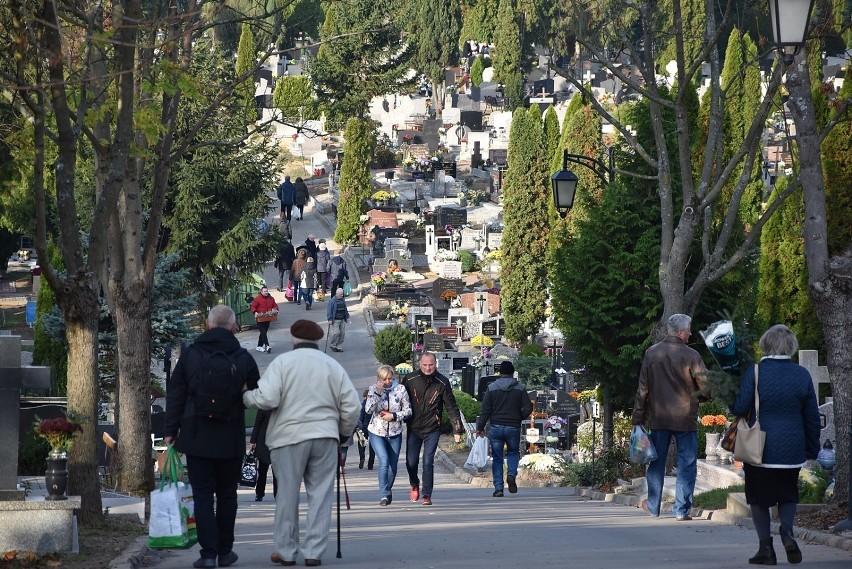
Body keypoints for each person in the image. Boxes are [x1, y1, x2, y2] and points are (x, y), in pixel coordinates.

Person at [242, 319, 360, 568]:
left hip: (289, 438)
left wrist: (246, 396)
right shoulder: (332, 365)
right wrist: (341, 434)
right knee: (320, 495)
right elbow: (352, 406)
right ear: (316, 340)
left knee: (287, 494)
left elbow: (267, 397)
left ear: (294, 338)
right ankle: (313, 552)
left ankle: (286, 551)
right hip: (325, 436)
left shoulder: (283, 363)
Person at [163, 305, 259, 569]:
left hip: (197, 435)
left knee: (203, 495)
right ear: (232, 327)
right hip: (230, 436)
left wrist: (170, 431)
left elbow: (176, 395)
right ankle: (226, 552)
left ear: (207, 325)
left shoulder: (191, 355)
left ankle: (208, 554)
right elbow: (256, 393)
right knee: (228, 494)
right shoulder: (242, 357)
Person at [730, 324, 820, 565]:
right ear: (791, 346)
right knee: (788, 494)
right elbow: (812, 416)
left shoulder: (756, 372)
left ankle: (765, 550)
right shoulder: (802, 375)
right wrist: (813, 448)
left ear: (765, 344)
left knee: (759, 499)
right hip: (792, 447)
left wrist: (731, 397)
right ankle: (787, 531)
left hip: (760, 447)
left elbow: (739, 407)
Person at [632, 313, 707, 521]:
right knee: (687, 463)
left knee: (656, 462)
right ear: (681, 332)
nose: (691, 333)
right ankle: (682, 510)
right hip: (686, 419)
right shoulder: (692, 355)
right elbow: (706, 388)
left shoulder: (652, 353)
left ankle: (654, 506)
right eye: (689, 329)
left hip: (660, 418)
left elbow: (643, 388)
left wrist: (638, 417)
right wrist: (701, 398)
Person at [401, 352, 464, 506]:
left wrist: (457, 430)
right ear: (419, 364)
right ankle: (414, 483)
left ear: (435, 364)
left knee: (428, 461)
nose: (427, 368)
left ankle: (426, 494)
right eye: (424, 365)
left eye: (431, 365)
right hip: (414, 427)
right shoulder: (410, 379)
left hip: (433, 427)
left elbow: (451, 407)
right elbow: (400, 400)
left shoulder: (442, 382)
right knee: (411, 462)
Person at [475, 361, 533, 497]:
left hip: (495, 426)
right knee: (513, 453)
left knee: (497, 458)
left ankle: (498, 488)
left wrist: (480, 427)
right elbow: (528, 407)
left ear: (499, 373)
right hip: (513, 426)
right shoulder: (520, 388)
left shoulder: (492, 388)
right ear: (513, 373)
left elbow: (485, 409)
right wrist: (520, 416)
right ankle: (511, 475)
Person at [366, 365, 412, 506]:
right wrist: (378, 394)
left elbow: (408, 411)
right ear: (379, 378)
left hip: (395, 432)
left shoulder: (400, 389)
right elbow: (368, 410)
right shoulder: (373, 389)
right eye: (384, 379)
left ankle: (388, 488)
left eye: (390, 378)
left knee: (393, 466)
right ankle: (384, 494)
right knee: (384, 461)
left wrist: (393, 416)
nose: (387, 381)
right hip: (377, 432)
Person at [250, 409, 277, 501]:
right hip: (270, 441)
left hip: (266, 440)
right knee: (266, 470)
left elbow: (258, 423)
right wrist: (253, 440)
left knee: (264, 470)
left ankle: (260, 493)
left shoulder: (264, 404)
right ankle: (273, 494)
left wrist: (253, 440)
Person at [250, 286, 278, 353]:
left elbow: (275, 305)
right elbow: (253, 306)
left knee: (263, 332)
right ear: (261, 292)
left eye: (267, 291)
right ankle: (267, 346)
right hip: (260, 318)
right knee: (263, 332)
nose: (266, 292)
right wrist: (255, 312)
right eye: (264, 291)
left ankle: (259, 346)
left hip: (268, 317)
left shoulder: (271, 298)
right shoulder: (257, 299)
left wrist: (276, 310)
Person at [357, 389, 376, 470]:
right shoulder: (374, 405)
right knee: (373, 446)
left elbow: (360, 418)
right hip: (373, 428)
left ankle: (362, 457)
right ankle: (370, 464)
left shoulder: (362, 405)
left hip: (364, 427)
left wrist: (358, 427)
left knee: (361, 443)